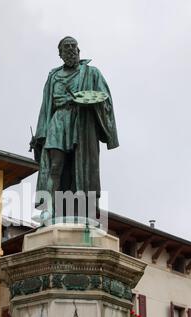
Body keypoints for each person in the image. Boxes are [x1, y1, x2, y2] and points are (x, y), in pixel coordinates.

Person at [30, 36, 119, 221]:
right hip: (58, 120)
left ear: (79, 50)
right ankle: (47, 210)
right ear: (60, 54)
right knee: (55, 165)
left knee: (83, 169)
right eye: (66, 47)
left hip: (82, 124)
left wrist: (85, 101)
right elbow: (45, 106)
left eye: (73, 46)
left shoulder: (91, 73)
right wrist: (40, 134)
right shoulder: (53, 76)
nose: (71, 50)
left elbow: (105, 100)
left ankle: (86, 211)